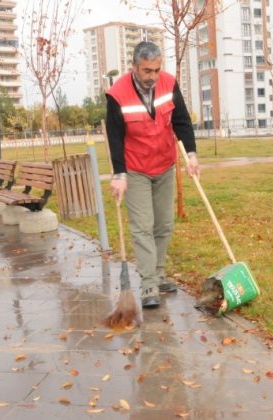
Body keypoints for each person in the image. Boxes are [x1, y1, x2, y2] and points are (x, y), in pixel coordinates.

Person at [106, 41, 200, 308]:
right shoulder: (117, 94)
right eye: (147, 71)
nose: (153, 77)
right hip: (135, 170)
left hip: (165, 164)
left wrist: (191, 154)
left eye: (157, 70)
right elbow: (115, 136)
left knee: (164, 225)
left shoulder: (168, 83)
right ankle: (148, 285)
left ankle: (158, 276)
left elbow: (181, 120)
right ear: (134, 67)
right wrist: (119, 174)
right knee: (142, 226)